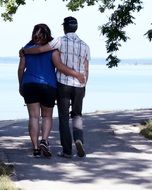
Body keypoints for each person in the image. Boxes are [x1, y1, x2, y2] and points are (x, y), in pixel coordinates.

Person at [21, 16, 90, 158]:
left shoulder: (58, 42)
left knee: (57, 117)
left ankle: (61, 150)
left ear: (64, 27)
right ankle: (72, 139)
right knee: (73, 115)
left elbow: (34, 56)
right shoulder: (84, 45)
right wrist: (82, 82)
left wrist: (24, 51)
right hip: (70, 86)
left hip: (58, 85)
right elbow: (85, 68)